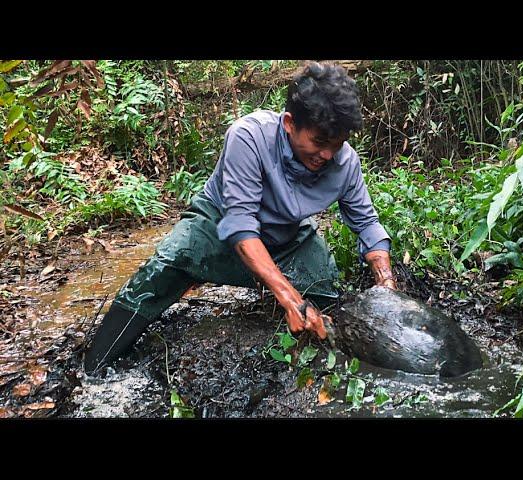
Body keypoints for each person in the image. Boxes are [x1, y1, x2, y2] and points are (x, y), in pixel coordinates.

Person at [84, 61, 397, 374]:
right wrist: (290, 299)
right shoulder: (249, 136)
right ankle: (95, 367)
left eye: (336, 144)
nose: (327, 155)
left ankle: (300, 358)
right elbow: (241, 225)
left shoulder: (346, 163)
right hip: (218, 226)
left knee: (325, 287)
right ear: (289, 123)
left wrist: (386, 284)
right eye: (318, 142)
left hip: (287, 238)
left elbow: (367, 224)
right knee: (165, 265)